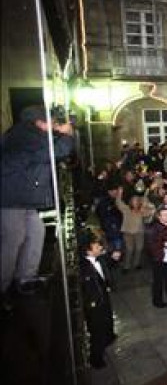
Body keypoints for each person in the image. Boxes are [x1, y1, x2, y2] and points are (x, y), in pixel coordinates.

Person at [1, 105, 74, 297]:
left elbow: (47, 145)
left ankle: (26, 278)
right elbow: (51, 152)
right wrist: (66, 136)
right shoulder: (24, 135)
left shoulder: (29, 135)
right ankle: (3, 287)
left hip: (23, 197)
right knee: (13, 239)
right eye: (51, 122)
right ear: (39, 122)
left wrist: (60, 133)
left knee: (36, 232)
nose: (53, 125)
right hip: (12, 198)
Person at [80, 234, 116, 368]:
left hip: (104, 297)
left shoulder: (100, 258)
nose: (100, 247)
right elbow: (86, 290)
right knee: (96, 330)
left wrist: (114, 258)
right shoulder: (83, 268)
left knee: (107, 319)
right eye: (97, 246)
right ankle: (96, 358)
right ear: (89, 251)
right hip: (94, 304)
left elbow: (108, 267)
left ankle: (109, 337)